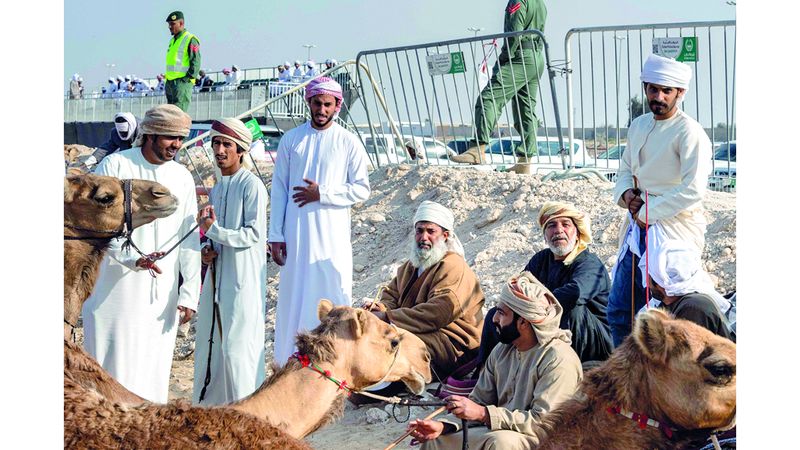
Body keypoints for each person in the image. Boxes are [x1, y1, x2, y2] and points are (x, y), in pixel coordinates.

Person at [82, 104, 202, 403]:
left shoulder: (182, 177)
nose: (176, 144)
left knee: (153, 370)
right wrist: (132, 259)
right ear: (150, 134)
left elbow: (189, 239)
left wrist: (189, 294)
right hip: (115, 287)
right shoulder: (115, 166)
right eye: (170, 137)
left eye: (180, 138)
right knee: (110, 367)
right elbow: (97, 226)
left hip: (161, 291)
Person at [607, 53, 713, 347]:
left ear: (680, 93)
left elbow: (693, 189)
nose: (658, 96)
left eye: (666, 91)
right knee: (619, 310)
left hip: (673, 231)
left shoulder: (689, 132)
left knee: (666, 318)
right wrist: (627, 194)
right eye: (653, 89)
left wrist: (648, 213)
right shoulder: (639, 125)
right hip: (636, 228)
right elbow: (626, 168)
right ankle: (623, 376)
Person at [410, 272, 582, 449]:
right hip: (499, 430)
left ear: (523, 322)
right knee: (435, 440)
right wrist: (443, 425)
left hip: (544, 440)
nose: (494, 319)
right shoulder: (502, 350)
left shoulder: (558, 360)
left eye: (501, 313)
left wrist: (484, 414)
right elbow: (478, 401)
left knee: (500, 443)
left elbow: (544, 424)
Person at [269, 76, 371, 364]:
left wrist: (322, 193)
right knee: (294, 296)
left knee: (330, 298)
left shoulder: (348, 142)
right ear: (309, 103)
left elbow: (362, 188)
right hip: (296, 236)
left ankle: (331, 362)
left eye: (328, 104)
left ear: (337, 106)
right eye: (317, 103)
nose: (322, 109)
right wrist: (276, 234)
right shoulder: (292, 140)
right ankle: (288, 362)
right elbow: (279, 189)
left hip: (331, 240)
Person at [192, 118, 269, 405]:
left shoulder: (252, 186)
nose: (220, 150)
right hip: (217, 278)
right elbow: (214, 232)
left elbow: (253, 234)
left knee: (238, 348)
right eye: (216, 144)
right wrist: (206, 248)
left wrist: (213, 231)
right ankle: (214, 407)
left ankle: (248, 410)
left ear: (240, 150)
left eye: (226, 144)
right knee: (213, 345)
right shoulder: (219, 187)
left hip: (241, 280)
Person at [364, 201, 484, 379]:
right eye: (419, 231)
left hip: (450, 344)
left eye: (431, 231)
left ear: (445, 235)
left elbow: (438, 312)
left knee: (393, 346)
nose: (424, 237)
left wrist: (388, 317)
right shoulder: (410, 266)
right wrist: (379, 309)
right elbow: (391, 295)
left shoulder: (454, 266)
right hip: (417, 330)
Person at [450, 0, 547, 175]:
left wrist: (505, 56)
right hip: (536, 56)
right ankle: (525, 160)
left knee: (489, 98)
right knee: (525, 108)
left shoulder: (519, 0)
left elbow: (514, 31)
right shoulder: (540, 2)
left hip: (520, 56)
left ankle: (477, 149)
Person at [521, 201, 612, 362]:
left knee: (570, 309)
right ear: (545, 234)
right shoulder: (541, 260)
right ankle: (487, 372)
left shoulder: (589, 263)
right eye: (551, 226)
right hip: (546, 327)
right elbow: (520, 285)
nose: (558, 230)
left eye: (565, 224)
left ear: (577, 232)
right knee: (501, 313)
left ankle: (569, 367)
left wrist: (536, 304)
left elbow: (574, 293)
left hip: (594, 342)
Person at [645, 238, 734, 341]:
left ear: (661, 283)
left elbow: (685, 355)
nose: (647, 282)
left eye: (651, 275)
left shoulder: (693, 309)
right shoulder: (676, 302)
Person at [164, 10, 201, 112]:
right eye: (169, 24)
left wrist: (187, 79)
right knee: (170, 115)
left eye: (172, 24)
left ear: (181, 23)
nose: (169, 27)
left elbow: (196, 61)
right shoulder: (172, 40)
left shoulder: (190, 39)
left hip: (181, 83)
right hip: (171, 82)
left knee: (179, 114)